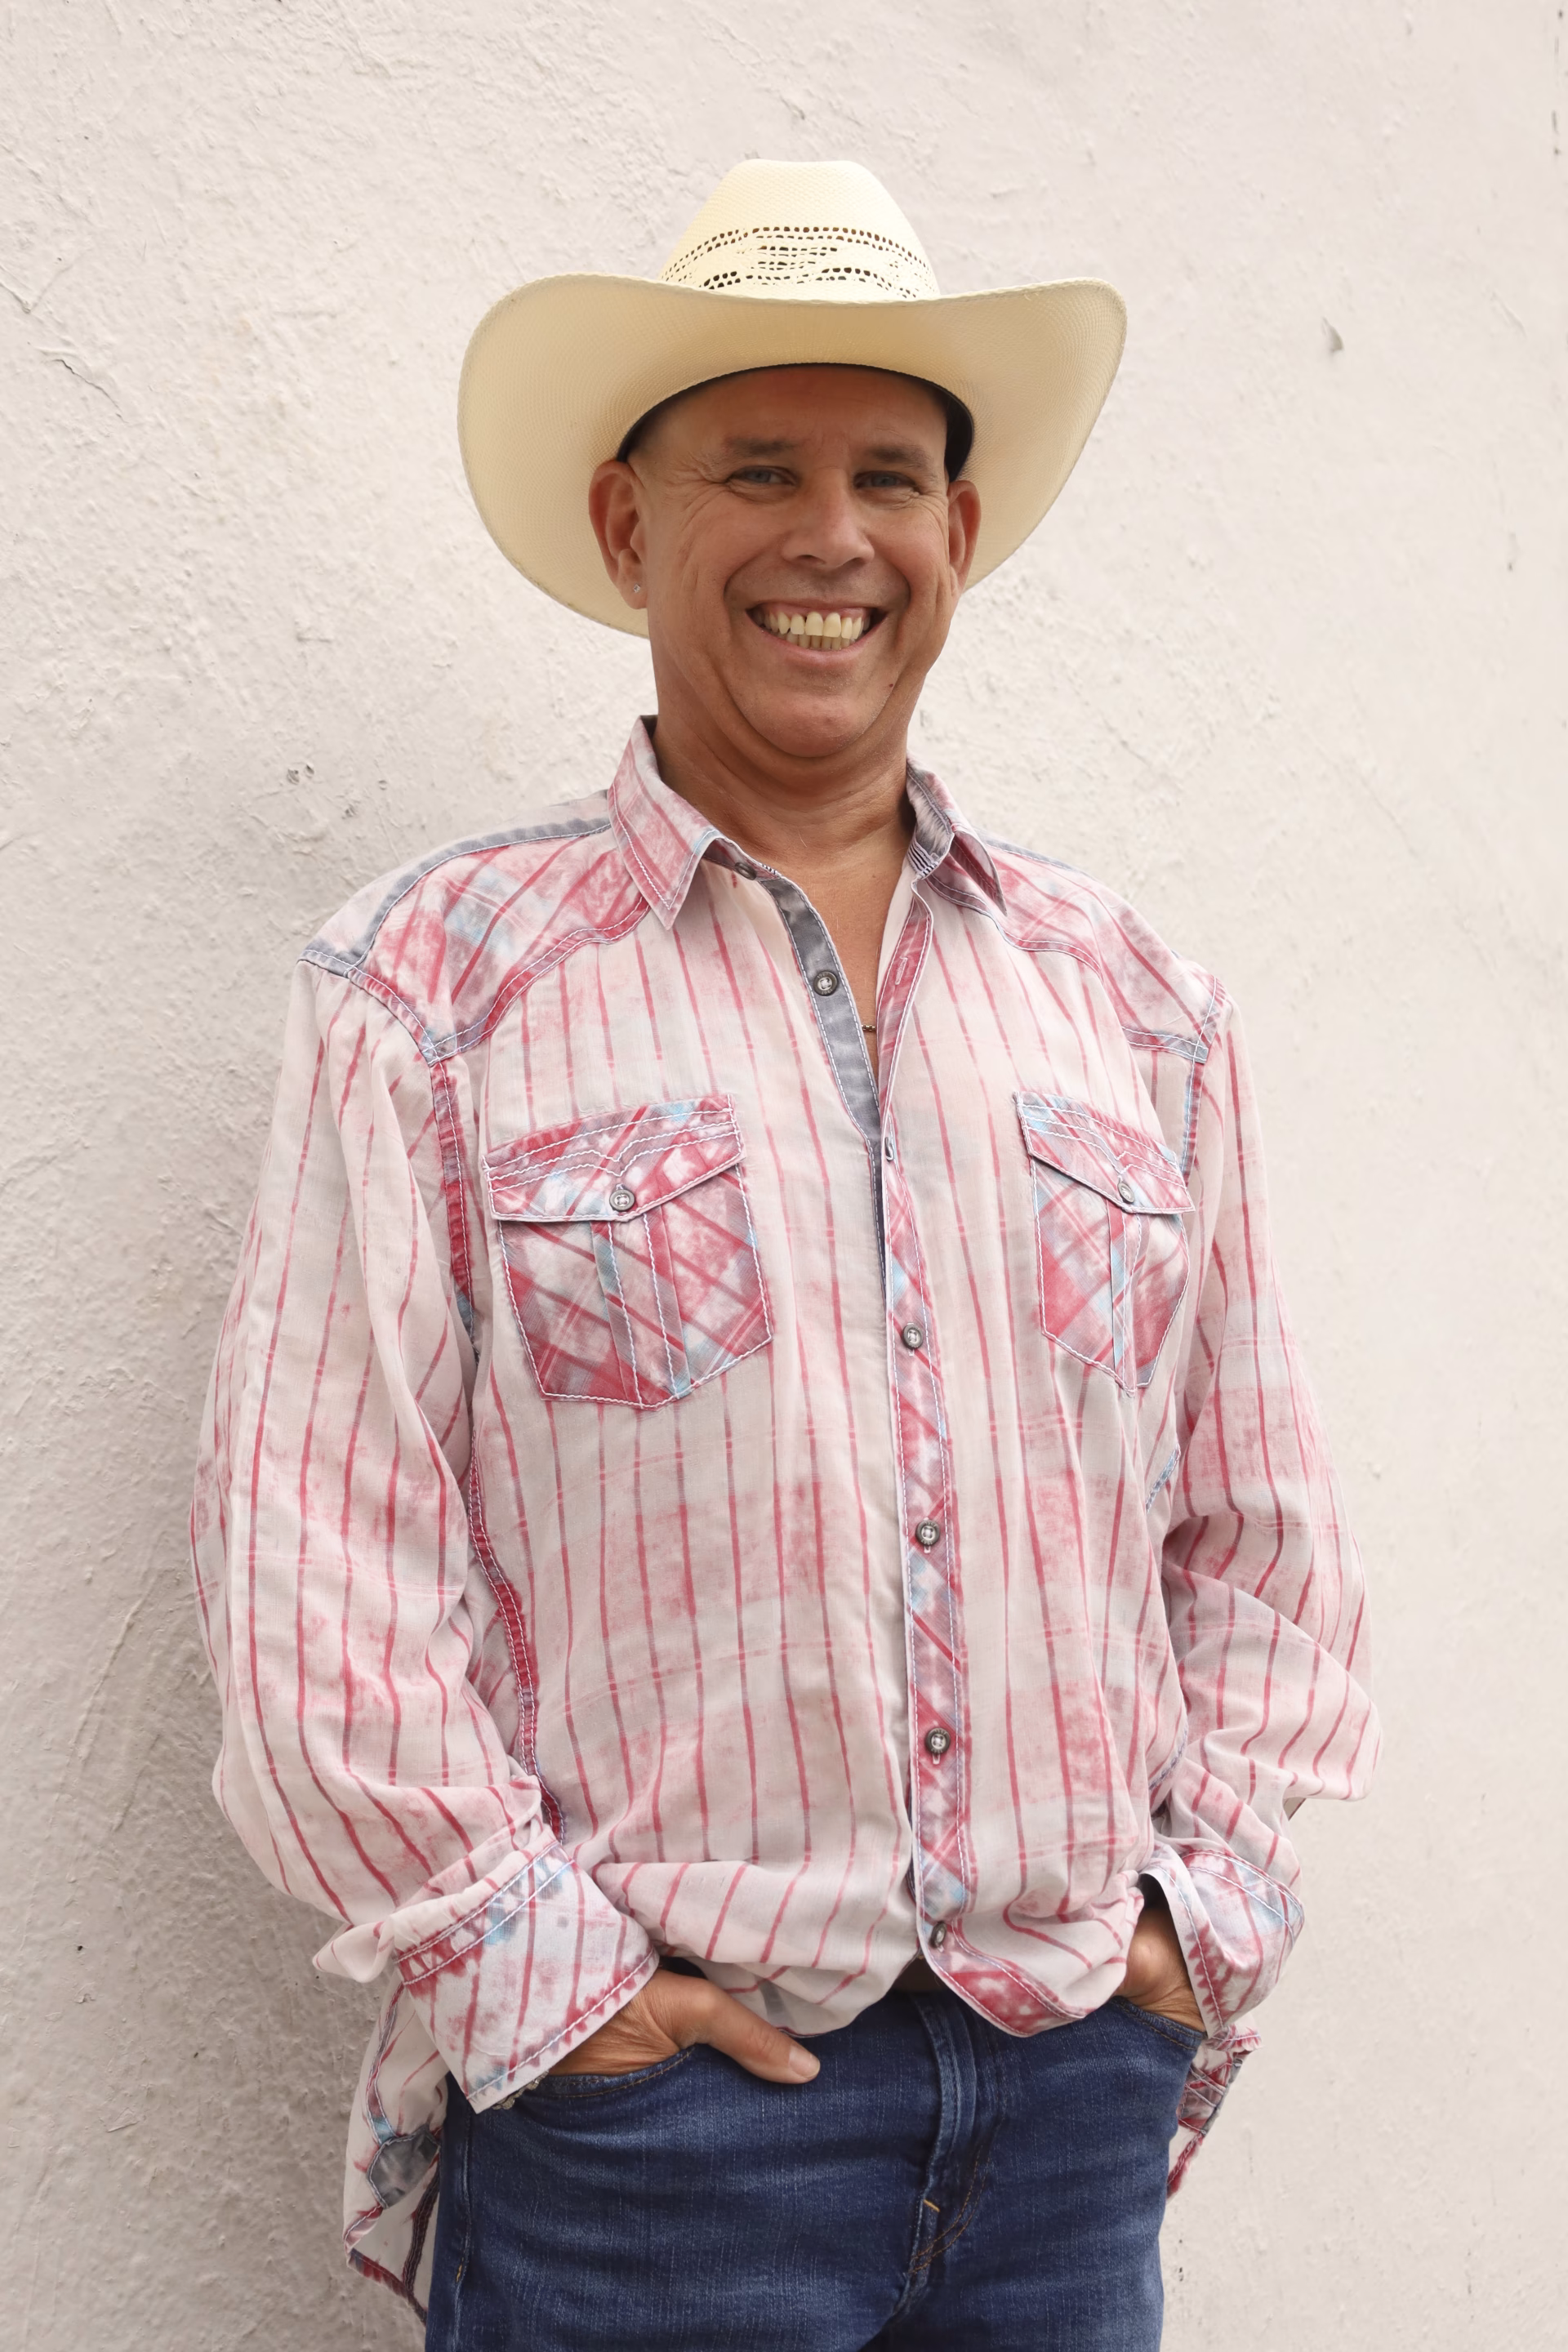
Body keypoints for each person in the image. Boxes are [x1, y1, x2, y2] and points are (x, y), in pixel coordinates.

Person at [191, 159, 1378, 2350]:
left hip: (1071, 2110)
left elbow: (1257, 1525)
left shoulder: (1133, 1007)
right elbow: (318, 1563)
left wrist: (1194, 1920)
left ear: (960, 535)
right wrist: (548, 1987)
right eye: (758, 470)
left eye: (887, 478)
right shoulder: (436, 990)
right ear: (627, 526)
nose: (832, 534)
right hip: (656, 2137)